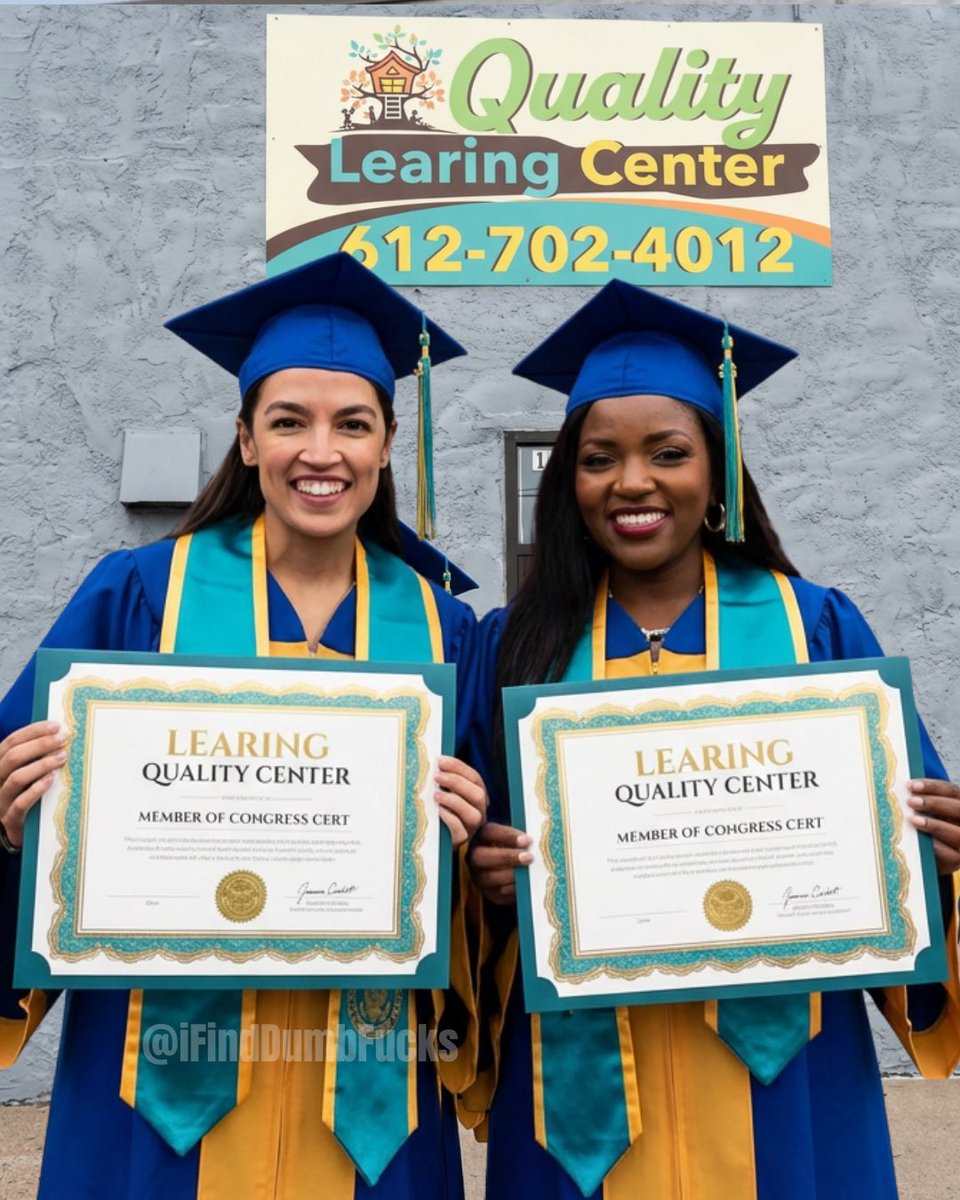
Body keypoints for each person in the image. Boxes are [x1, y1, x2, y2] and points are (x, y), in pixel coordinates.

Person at [0, 251, 488, 1200]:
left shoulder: (444, 628)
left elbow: (481, 882)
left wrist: (476, 845)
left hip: (373, 1083)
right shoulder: (139, 594)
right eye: (289, 422)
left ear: (388, 444)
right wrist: (12, 809)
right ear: (246, 437)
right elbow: (19, 803)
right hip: (157, 1071)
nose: (322, 451)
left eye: (353, 424)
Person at [465, 281, 960, 1200]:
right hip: (580, 1080)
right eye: (599, 458)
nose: (633, 482)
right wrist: (488, 876)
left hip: (786, 1070)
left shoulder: (814, 626)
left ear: (718, 466)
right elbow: (458, 862)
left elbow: (905, 861)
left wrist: (936, 852)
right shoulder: (513, 644)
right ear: (568, 480)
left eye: (669, 453)